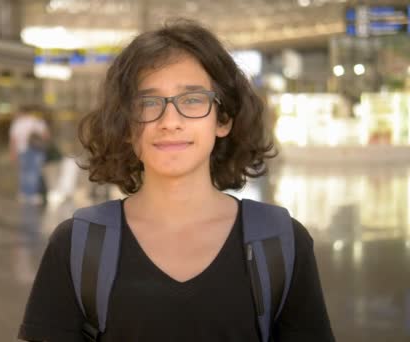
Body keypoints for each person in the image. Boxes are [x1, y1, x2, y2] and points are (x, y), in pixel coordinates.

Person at [18, 19, 335, 341]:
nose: (170, 122)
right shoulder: (77, 244)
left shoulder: (280, 241)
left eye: (193, 100)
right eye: (147, 103)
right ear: (126, 125)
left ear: (222, 118)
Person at [9, 105, 50, 204]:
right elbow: (46, 136)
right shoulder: (37, 121)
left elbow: (13, 140)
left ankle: (24, 193)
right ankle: (32, 195)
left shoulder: (17, 123)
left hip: (22, 150)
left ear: (21, 112)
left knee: (24, 172)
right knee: (35, 172)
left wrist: (12, 152)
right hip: (36, 150)